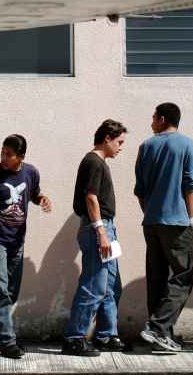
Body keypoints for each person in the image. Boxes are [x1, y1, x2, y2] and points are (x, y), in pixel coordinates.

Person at [0, 134, 53, 359]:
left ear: (21, 157)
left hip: (17, 242)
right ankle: (8, 341)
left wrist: (42, 199)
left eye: (9, 154)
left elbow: (34, 195)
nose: (4, 158)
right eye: (2, 152)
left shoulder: (31, 173)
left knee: (10, 293)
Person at [134, 102, 193, 353]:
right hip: (177, 222)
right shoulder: (189, 145)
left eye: (153, 117)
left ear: (162, 119)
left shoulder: (145, 146)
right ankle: (158, 328)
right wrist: (190, 217)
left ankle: (161, 335)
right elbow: (190, 186)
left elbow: (140, 190)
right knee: (184, 274)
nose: (151, 122)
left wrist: (151, 211)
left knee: (157, 277)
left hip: (151, 221)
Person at [61, 119, 128, 357]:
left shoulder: (98, 162)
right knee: (94, 285)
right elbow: (91, 198)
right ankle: (74, 338)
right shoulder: (93, 162)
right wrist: (101, 232)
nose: (121, 147)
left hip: (105, 227)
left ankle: (106, 335)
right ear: (107, 138)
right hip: (97, 229)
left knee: (110, 285)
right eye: (119, 142)